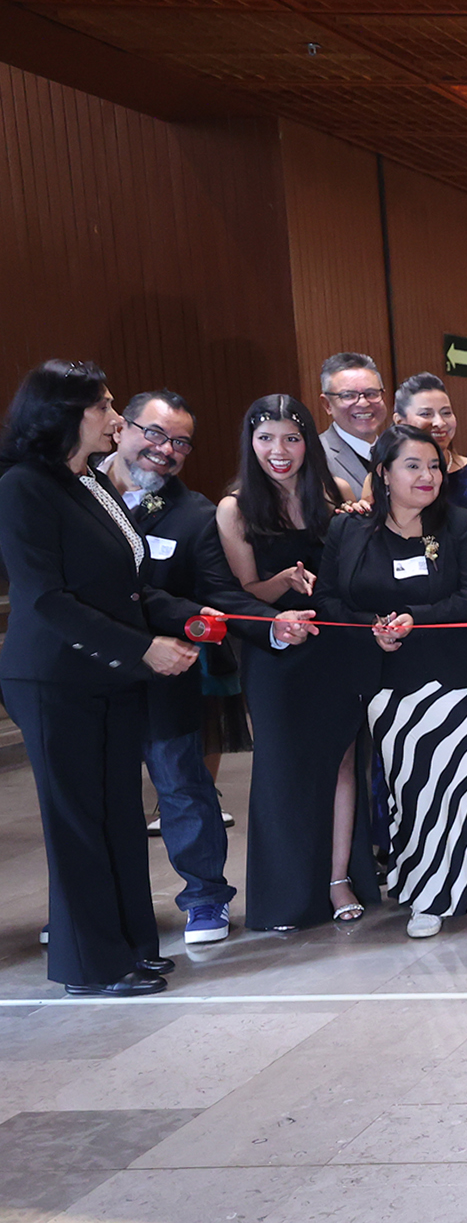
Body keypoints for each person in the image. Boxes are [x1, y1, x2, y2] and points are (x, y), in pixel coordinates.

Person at [0, 362, 204, 996]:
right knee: (78, 823)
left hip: (110, 675)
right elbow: (46, 599)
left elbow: (128, 586)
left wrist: (193, 617)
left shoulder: (88, 480)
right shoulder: (24, 486)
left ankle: (131, 946)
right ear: (64, 413)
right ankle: (91, 966)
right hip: (55, 679)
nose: (116, 418)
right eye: (104, 406)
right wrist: (143, 649)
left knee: (118, 817)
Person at [316, 425, 467, 938]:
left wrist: (414, 619)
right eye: (412, 466)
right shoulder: (348, 529)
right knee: (412, 789)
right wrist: (370, 629)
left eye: (434, 466)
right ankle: (426, 895)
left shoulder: (461, 523)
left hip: (461, 677)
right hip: (387, 681)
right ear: (383, 473)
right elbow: (329, 600)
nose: (427, 476)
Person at [215, 394, 371, 930]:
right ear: (250, 443)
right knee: (283, 770)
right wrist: (281, 582)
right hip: (277, 654)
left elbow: (352, 572)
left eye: (291, 438)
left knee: (343, 762)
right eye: (265, 439)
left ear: (308, 443)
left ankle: (338, 878)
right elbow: (243, 592)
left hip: (334, 647)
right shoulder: (235, 507)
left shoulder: (337, 492)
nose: (278, 451)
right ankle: (287, 892)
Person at [99, 390, 235, 947]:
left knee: (182, 785)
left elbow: (209, 594)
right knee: (94, 796)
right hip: (89, 672)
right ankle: (94, 906)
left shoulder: (196, 514)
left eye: (180, 442)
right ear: (122, 428)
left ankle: (204, 897)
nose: (165, 449)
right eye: (154, 433)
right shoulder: (77, 492)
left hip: (166, 672)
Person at [391, 372, 467, 507]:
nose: (440, 422)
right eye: (426, 414)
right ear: (400, 421)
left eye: (446, 413)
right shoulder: (387, 477)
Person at [317, 351, 389, 499]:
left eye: (371, 393)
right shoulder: (316, 458)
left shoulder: (398, 450)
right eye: (348, 396)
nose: (363, 403)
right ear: (327, 405)